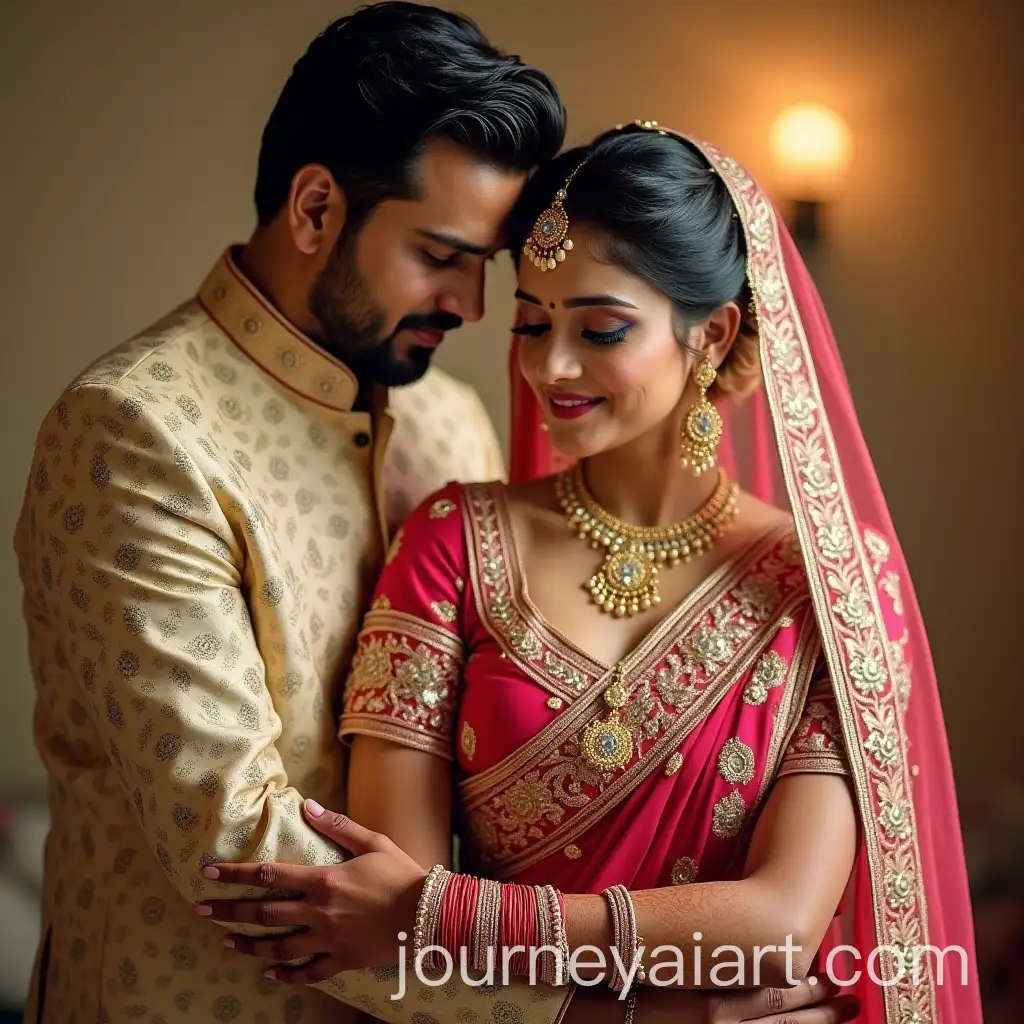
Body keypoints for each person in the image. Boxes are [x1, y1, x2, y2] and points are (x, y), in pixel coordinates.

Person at [199, 122, 983, 1022]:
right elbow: (396, 926)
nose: (550, 366)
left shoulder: (830, 587)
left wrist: (444, 916)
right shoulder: (454, 544)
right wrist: (663, 1015)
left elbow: (779, 925)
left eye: (601, 328)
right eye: (533, 322)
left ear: (712, 336)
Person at [10, 4, 577, 1022]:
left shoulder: (450, 419)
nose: (473, 306)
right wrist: (589, 1007)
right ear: (315, 208)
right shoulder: (135, 432)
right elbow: (238, 850)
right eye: (441, 255)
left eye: (484, 266)